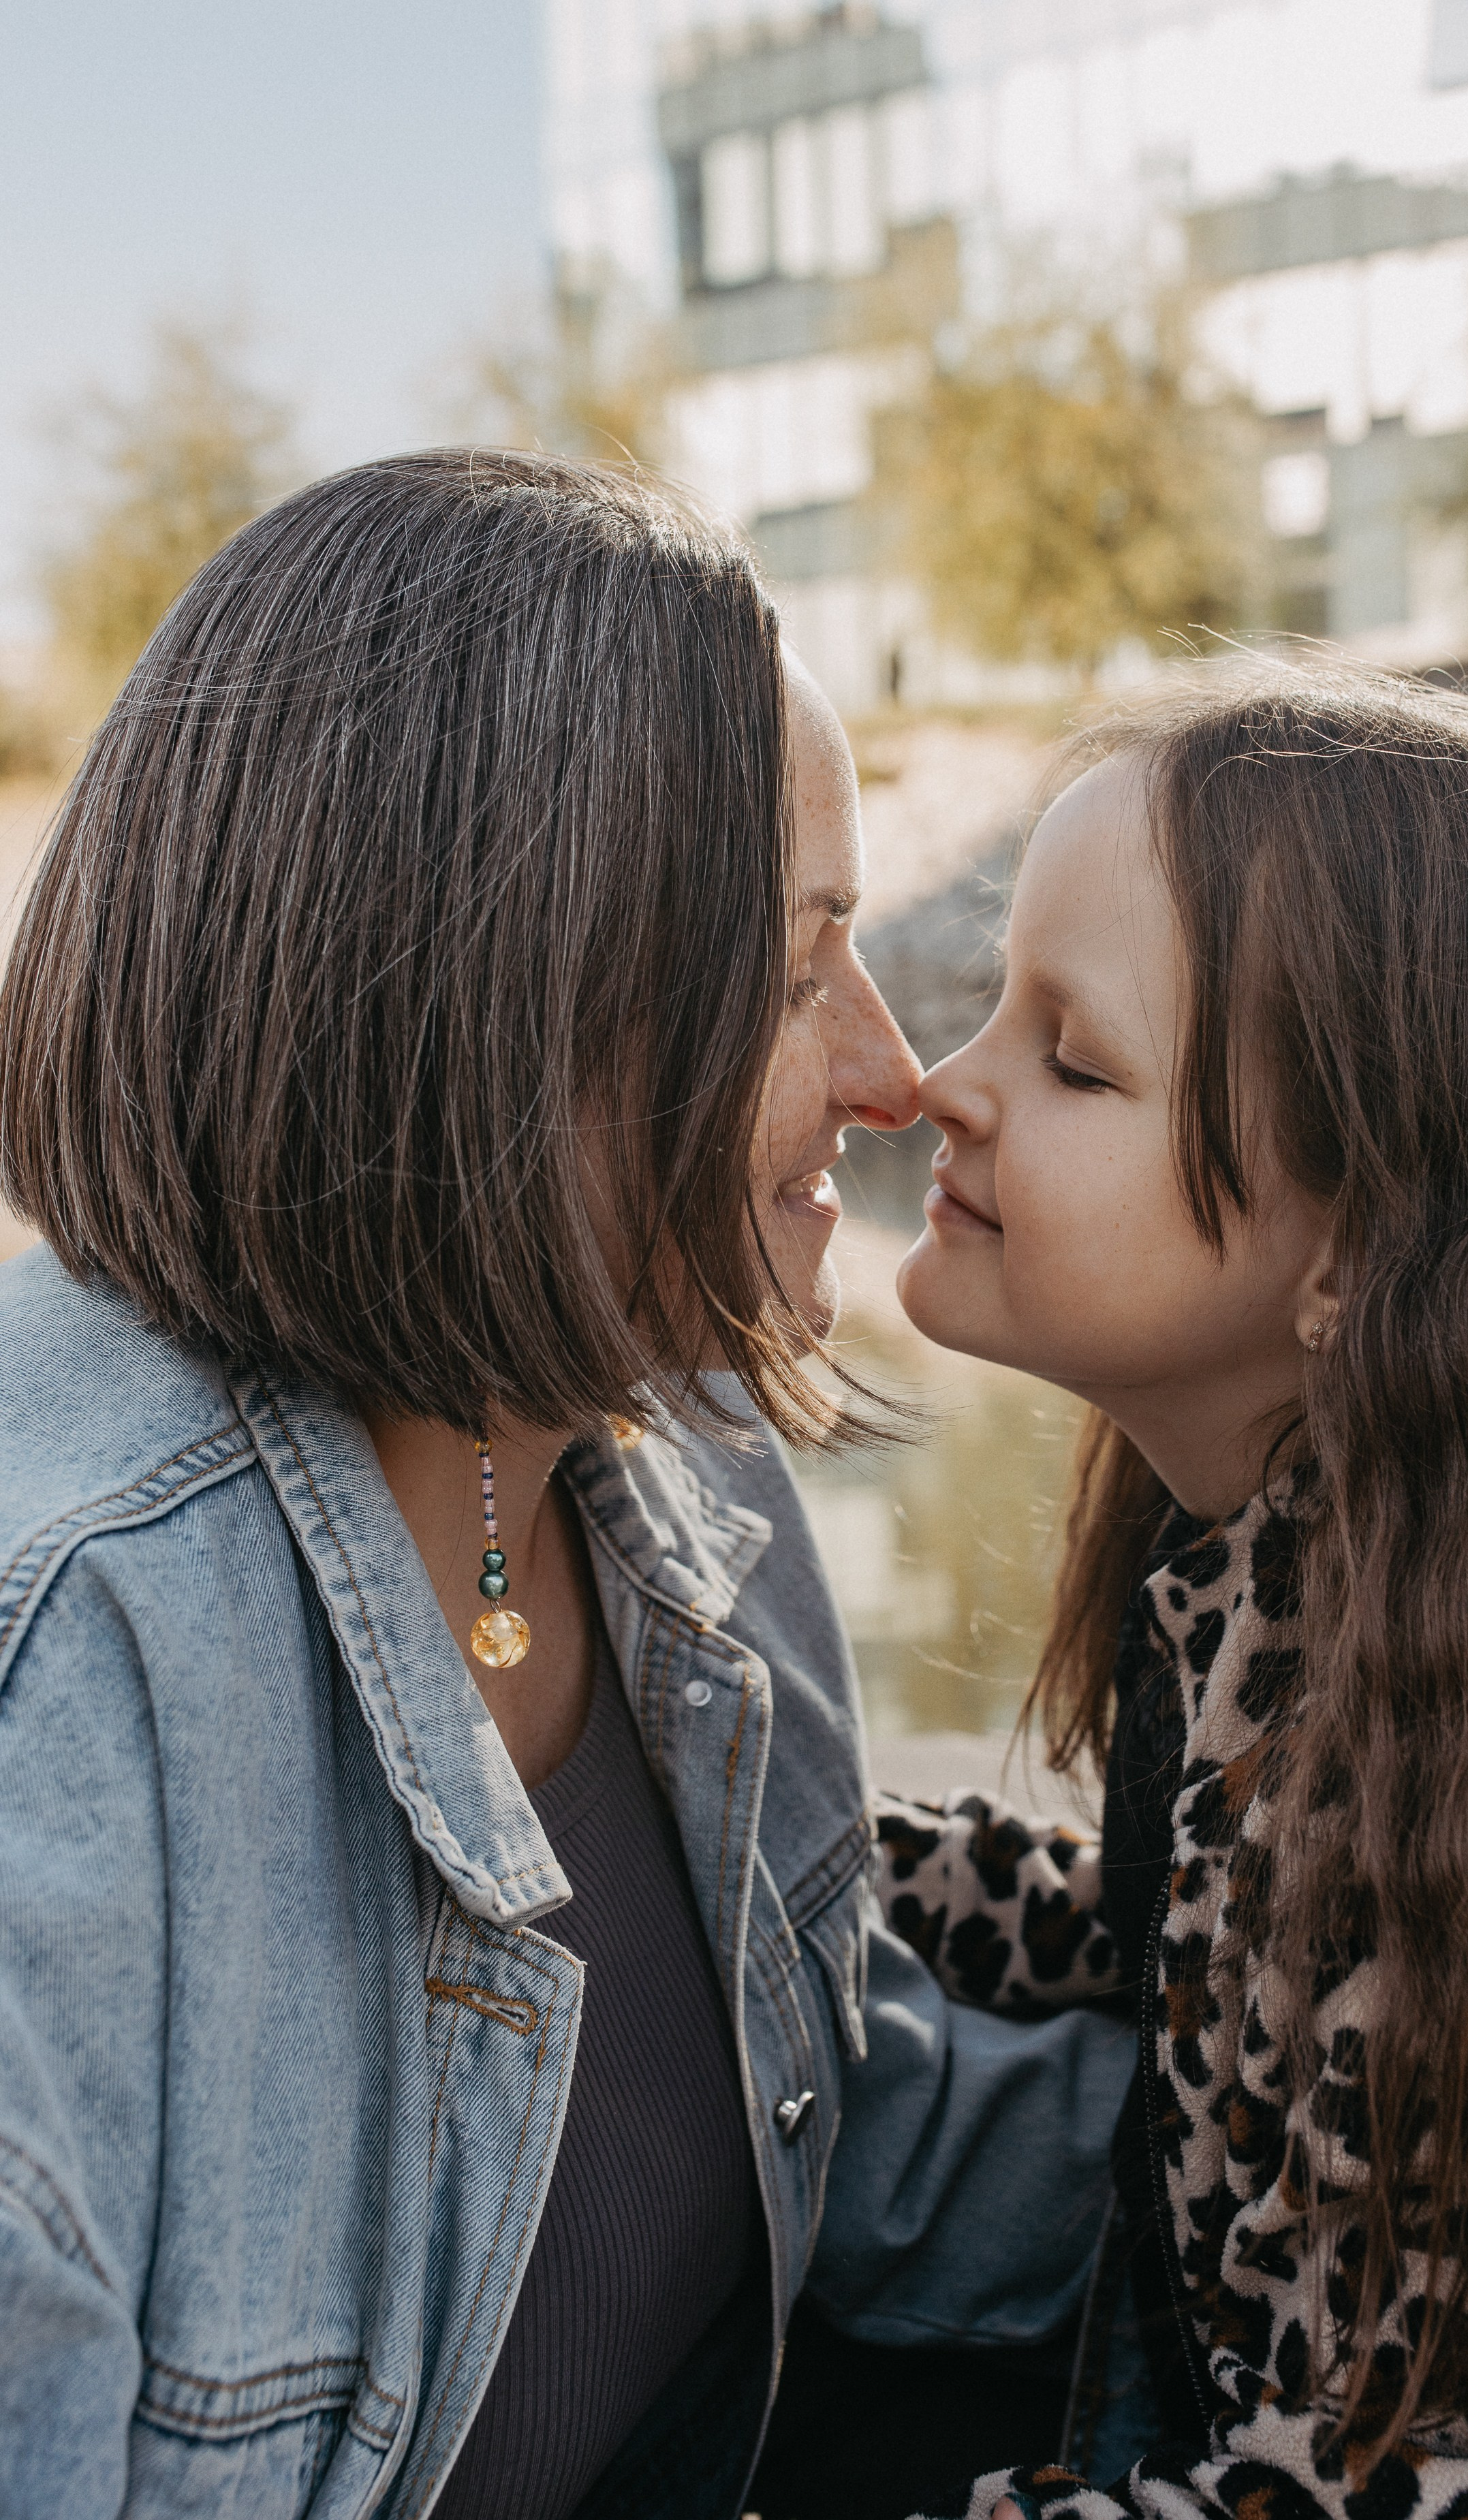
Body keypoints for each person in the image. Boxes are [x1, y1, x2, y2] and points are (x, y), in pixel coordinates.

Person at [0, 447, 1130, 2520]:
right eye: (802, 973)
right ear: (511, 1010)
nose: (892, 1073)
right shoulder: (62, 1679)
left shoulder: (660, 1439)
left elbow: (836, 2110)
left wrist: (1435, 2185)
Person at [878, 665, 1468, 2520]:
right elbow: (1179, 1929)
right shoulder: (1271, 1559)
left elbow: (1386, 2487)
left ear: (1359, 1252)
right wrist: (819, 1860)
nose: (943, 1083)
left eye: (1072, 1059)